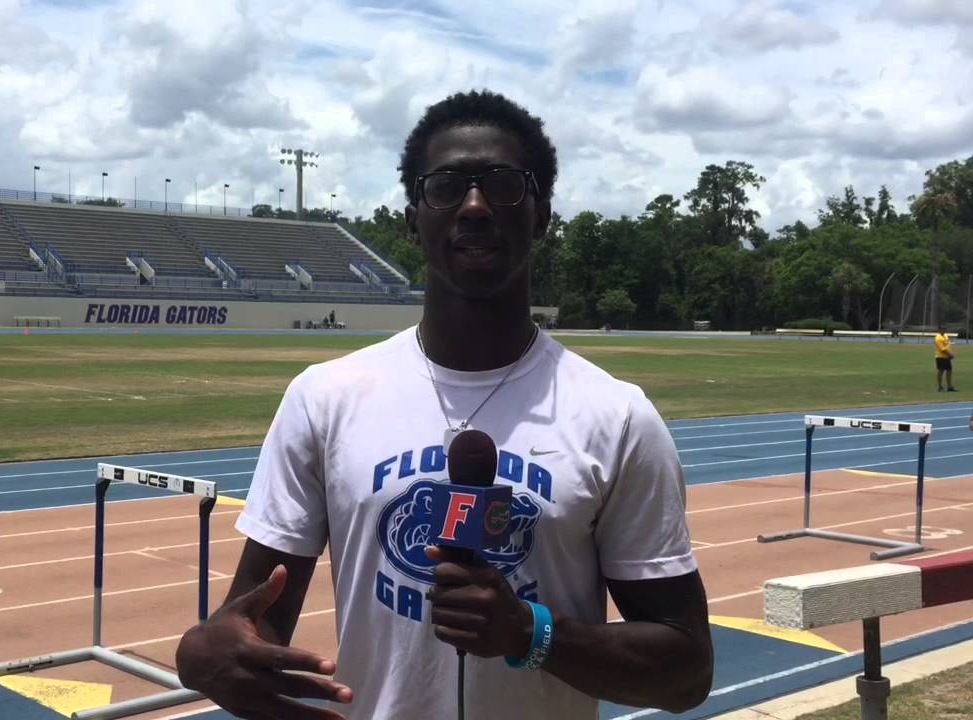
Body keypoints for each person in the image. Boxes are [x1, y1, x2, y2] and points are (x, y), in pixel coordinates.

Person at [175, 89, 713, 719]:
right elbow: (254, 622)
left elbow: (686, 671)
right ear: (413, 219)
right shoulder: (325, 398)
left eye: (503, 185)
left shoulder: (617, 417)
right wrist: (210, 654)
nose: (475, 206)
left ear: (541, 216)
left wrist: (529, 633)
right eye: (447, 187)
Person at [934, 326, 956, 392]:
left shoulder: (946, 336)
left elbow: (947, 345)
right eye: (942, 329)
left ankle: (949, 387)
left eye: (945, 329)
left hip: (947, 356)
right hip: (940, 356)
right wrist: (950, 354)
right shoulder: (938, 338)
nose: (944, 330)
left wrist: (950, 353)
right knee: (941, 371)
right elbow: (942, 349)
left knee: (949, 370)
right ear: (939, 330)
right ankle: (940, 387)